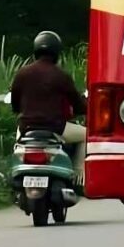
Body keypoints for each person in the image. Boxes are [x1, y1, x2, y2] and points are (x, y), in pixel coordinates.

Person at [10, 31, 86, 186]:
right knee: (86, 135)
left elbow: (15, 105)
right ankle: (78, 174)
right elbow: (79, 106)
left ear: (36, 50)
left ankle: (14, 172)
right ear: (57, 52)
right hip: (56, 128)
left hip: (26, 128)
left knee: (17, 145)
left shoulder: (22, 73)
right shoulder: (61, 76)